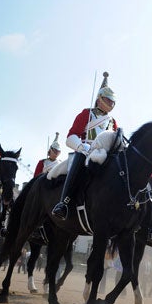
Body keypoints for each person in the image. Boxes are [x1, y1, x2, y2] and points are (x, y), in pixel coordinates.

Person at [52, 72, 118, 220]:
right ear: (99, 99)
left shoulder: (112, 122)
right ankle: (64, 203)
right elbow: (71, 137)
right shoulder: (87, 114)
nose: (110, 103)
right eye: (107, 99)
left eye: (112, 100)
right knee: (81, 159)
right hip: (86, 150)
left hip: (106, 153)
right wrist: (82, 147)